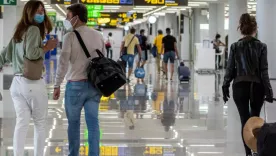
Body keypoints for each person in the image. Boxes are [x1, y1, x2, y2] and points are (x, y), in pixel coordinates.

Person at [0, 1, 57, 155]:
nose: (41, 14)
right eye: (38, 11)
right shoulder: (32, 29)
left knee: (21, 123)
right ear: (29, 12)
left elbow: (4, 56)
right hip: (32, 83)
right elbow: (32, 54)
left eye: (42, 11)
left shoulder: (20, 31)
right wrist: (47, 47)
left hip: (16, 84)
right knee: (40, 123)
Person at [53, 4, 105, 156]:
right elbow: (103, 60)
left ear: (76, 17)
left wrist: (57, 85)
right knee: (93, 124)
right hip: (94, 86)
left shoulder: (69, 36)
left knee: (74, 124)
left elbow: (63, 63)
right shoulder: (98, 35)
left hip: (75, 86)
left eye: (68, 16)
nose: (67, 19)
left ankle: (73, 154)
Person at [222, 13, 274, 156]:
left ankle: (248, 153)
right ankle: (256, 149)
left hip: (239, 86)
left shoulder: (234, 46)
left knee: (245, 121)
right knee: (255, 120)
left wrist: (225, 85)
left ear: (240, 28)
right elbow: (264, 71)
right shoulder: (261, 46)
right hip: (257, 86)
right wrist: (269, 91)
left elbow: (230, 69)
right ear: (255, 28)